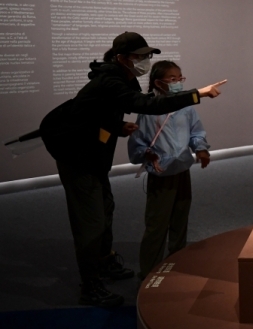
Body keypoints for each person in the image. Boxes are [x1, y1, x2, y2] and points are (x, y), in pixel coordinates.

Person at [40, 32, 226, 308]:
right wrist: (196, 94)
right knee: (91, 224)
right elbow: (146, 105)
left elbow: (96, 114)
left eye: (147, 55)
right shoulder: (110, 80)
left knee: (105, 210)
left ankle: (104, 262)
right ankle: (90, 286)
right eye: (139, 56)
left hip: (93, 156)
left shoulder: (123, 78)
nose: (145, 60)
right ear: (121, 58)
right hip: (77, 157)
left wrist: (117, 126)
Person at [128, 61, 211, 280]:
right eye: (172, 79)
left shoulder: (186, 107)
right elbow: (137, 144)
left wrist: (201, 149)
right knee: (157, 225)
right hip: (161, 175)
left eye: (180, 78)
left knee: (180, 220)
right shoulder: (148, 112)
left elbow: (196, 132)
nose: (178, 83)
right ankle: (149, 272)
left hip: (182, 170)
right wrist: (148, 154)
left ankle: (177, 264)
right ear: (158, 83)